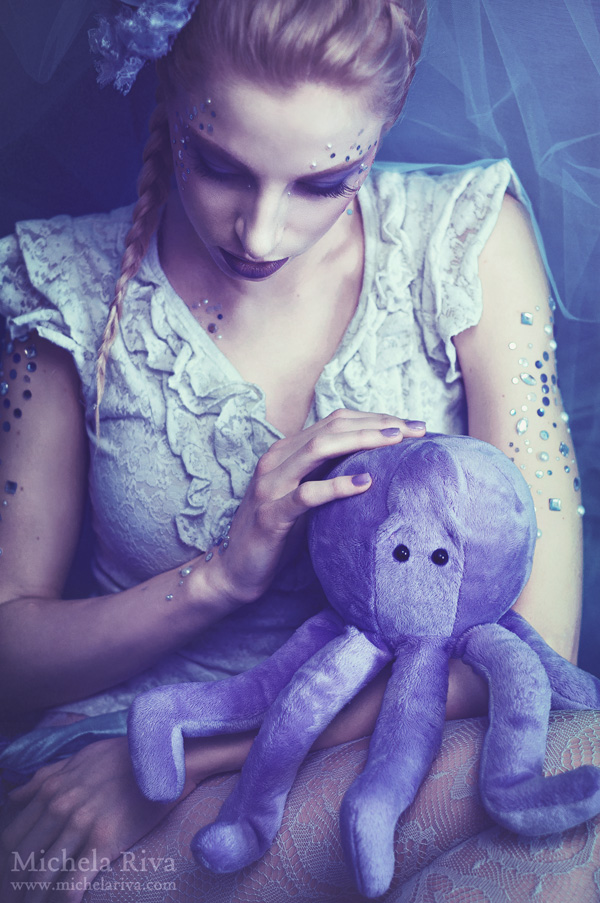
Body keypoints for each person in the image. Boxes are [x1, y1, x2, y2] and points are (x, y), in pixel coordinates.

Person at [0, 0, 598, 900]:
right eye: (219, 165)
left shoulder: (465, 244)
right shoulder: (65, 285)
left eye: (324, 182)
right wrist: (219, 579)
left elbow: (539, 641)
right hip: (122, 761)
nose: (260, 233)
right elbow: (10, 654)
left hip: (388, 735)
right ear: (168, 95)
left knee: (578, 766)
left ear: (384, 126)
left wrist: (206, 754)